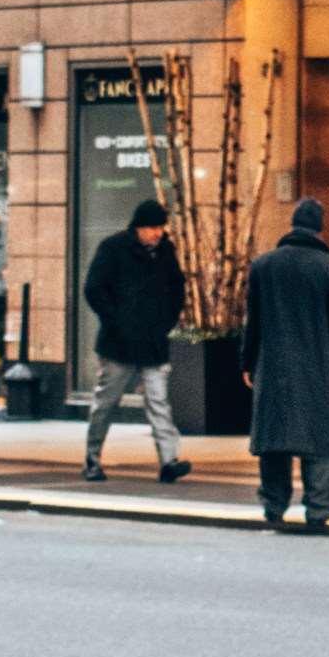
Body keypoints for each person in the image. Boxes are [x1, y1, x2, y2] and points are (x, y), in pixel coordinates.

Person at [242, 197, 329, 530]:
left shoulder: (263, 266)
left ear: (292, 225)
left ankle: (274, 506)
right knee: (320, 437)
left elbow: (254, 322)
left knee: (275, 437)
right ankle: (319, 507)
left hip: (273, 366)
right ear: (319, 229)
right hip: (318, 367)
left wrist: (247, 362)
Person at [80, 197, 192, 484]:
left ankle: (169, 461)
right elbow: (94, 288)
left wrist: (166, 321)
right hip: (119, 343)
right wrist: (116, 319)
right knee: (106, 402)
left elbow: (177, 288)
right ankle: (92, 459)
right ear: (138, 228)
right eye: (152, 227)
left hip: (153, 342)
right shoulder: (113, 248)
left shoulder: (165, 251)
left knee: (159, 403)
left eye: (160, 227)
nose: (157, 233)